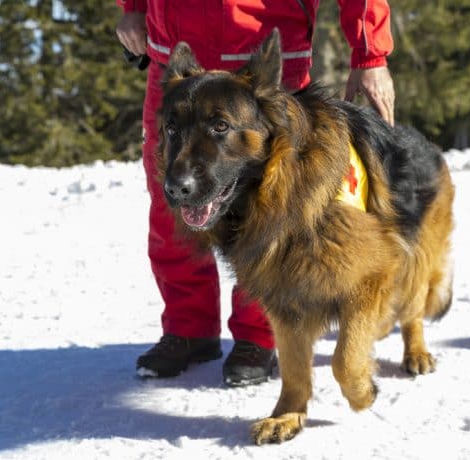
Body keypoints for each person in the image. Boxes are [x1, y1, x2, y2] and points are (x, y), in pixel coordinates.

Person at [115, 0, 395, 386]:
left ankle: (258, 335)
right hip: (178, 61)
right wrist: (133, 7)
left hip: (265, 67)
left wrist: (370, 54)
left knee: (275, 211)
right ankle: (188, 328)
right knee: (175, 201)